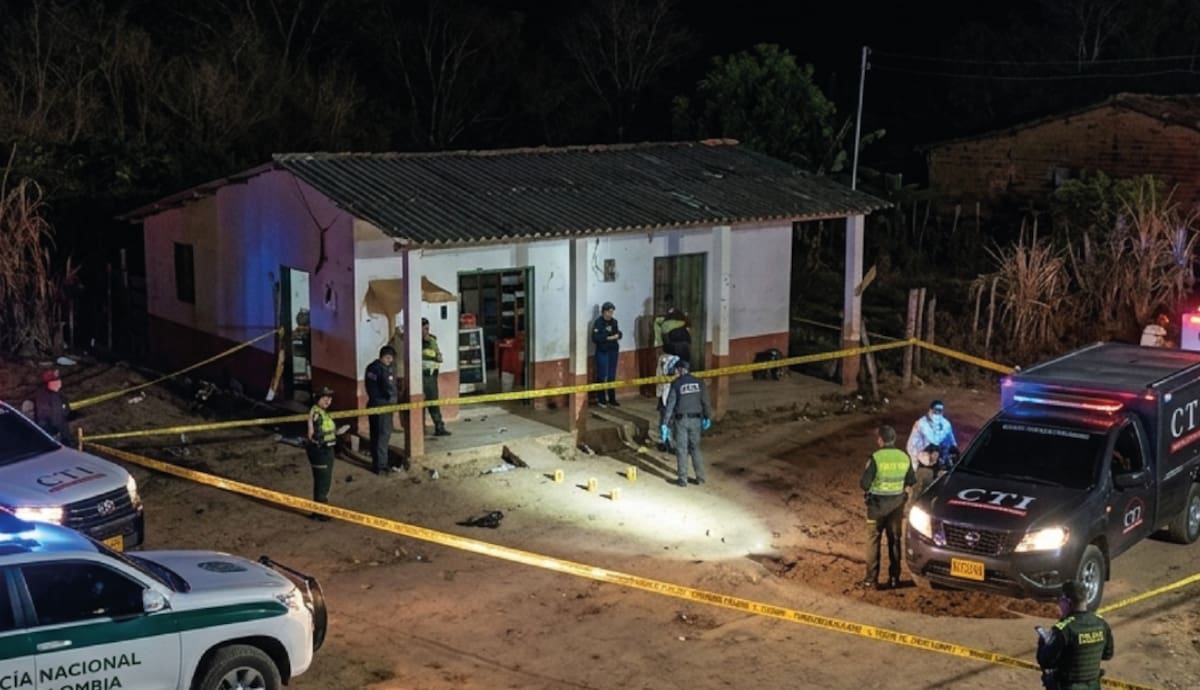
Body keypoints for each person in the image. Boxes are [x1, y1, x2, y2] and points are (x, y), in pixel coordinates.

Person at [860, 425, 916, 590]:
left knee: (873, 542)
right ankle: (894, 578)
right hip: (896, 508)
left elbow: (864, 484)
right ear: (894, 439)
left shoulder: (876, 458)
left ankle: (871, 580)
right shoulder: (904, 457)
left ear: (880, 440)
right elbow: (911, 480)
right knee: (894, 542)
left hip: (876, 508)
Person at [1036, 580, 1114, 690]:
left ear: (1067, 602)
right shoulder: (1101, 624)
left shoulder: (1064, 629)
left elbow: (1045, 661)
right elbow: (1107, 654)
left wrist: (1043, 642)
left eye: (1061, 601)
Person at [661, 360, 712, 487]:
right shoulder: (699, 382)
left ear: (680, 369)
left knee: (682, 449)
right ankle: (700, 478)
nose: (676, 372)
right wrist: (707, 416)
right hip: (696, 420)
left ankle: (682, 479)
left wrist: (665, 423)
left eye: (677, 370)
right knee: (695, 449)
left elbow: (670, 405)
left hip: (681, 421)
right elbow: (705, 401)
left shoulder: (676, 384)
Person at [364, 345, 399, 475]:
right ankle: (381, 466)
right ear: (383, 356)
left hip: (375, 405)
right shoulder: (380, 369)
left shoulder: (372, 367)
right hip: (382, 406)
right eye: (389, 358)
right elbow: (388, 388)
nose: (391, 361)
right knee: (383, 436)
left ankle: (377, 464)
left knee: (376, 435)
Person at [305, 386, 337, 521]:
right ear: (317, 398)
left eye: (329, 398)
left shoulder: (324, 412)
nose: (328, 401)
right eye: (325, 398)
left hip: (328, 450)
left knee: (326, 482)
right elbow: (311, 434)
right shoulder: (315, 413)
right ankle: (320, 513)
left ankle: (320, 511)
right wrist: (318, 439)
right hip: (319, 451)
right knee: (322, 483)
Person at [906, 399, 958, 472]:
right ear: (930, 411)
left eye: (940, 411)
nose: (938, 413)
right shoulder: (921, 423)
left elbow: (952, 442)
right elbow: (911, 446)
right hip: (921, 459)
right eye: (936, 411)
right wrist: (920, 456)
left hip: (939, 460)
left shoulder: (946, 424)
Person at [421, 317, 450, 437]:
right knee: (422, 403)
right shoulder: (415, 342)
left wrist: (438, 356)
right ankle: (424, 428)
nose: (426, 331)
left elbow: (438, 355)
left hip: (432, 376)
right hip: (422, 376)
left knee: (433, 402)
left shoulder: (432, 340)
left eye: (428, 328)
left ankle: (439, 426)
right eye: (424, 328)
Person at [591, 301, 622, 406]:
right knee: (602, 375)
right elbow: (595, 337)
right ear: (604, 312)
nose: (610, 314)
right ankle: (601, 399)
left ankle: (612, 398)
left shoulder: (614, 322)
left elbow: (618, 333)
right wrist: (608, 338)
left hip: (613, 351)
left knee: (611, 375)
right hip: (602, 351)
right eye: (609, 312)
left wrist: (617, 335)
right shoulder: (598, 323)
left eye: (612, 312)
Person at [33, 369, 72, 443]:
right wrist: (53, 430)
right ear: (49, 383)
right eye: (56, 381)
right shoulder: (43, 396)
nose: (59, 383)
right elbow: (43, 415)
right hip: (51, 434)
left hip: (63, 432)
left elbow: (66, 409)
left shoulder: (60, 394)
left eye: (58, 380)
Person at [906, 443, 941, 515]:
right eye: (934, 454)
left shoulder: (935, 465)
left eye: (937, 455)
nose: (936, 457)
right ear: (929, 454)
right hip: (919, 491)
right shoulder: (923, 465)